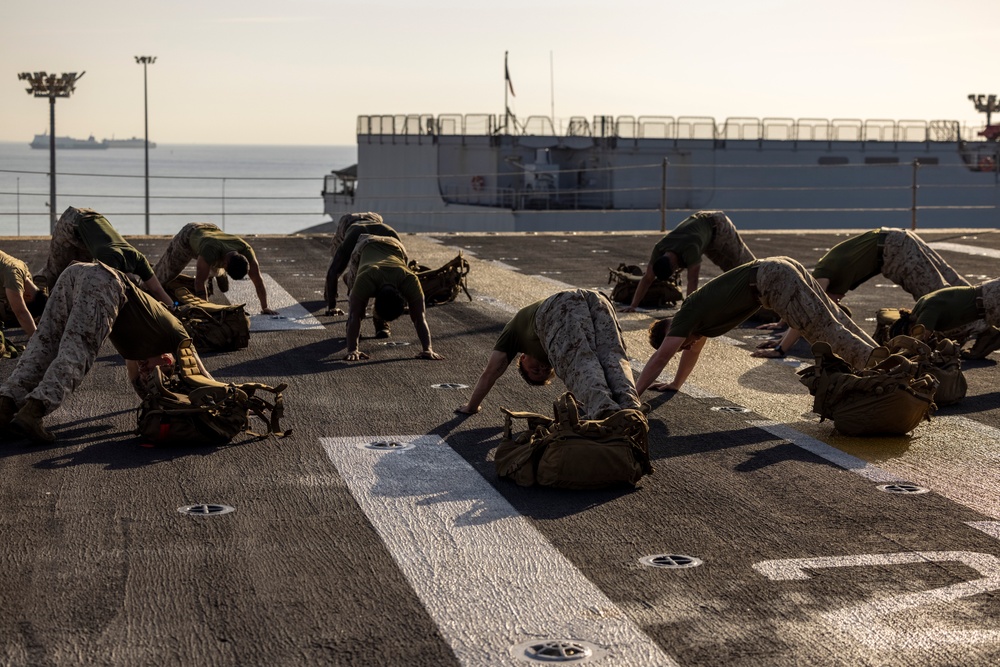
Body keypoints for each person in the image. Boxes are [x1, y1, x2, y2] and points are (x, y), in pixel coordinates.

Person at [0, 261, 212, 443]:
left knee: (43, 345)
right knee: (77, 351)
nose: (144, 370)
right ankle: (34, 410)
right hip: (105, 283)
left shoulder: (136, 354)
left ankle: (5, 406)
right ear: (167, 360)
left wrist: (156, 395)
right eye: (153, 372)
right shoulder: (176, 337)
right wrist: (235, 402)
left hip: (75, 274)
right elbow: (203, 376)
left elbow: (138, 382)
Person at [634, 257, 883, 395]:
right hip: (775, 269)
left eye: (679, 342)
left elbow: (661, 357)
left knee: (824, 331)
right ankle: (884, 358)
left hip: (771, 279)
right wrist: (676, 384)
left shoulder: (684, 319)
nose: (686, 345)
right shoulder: (696, 325)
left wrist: (633, 395)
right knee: (836, 320)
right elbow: (691, 352)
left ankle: (880, 368)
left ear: (672, 328)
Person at [756, 227, 976, 358]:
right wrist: (780, 324)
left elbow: (807, 313)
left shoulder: (822, 279)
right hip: (897, 238)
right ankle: (984, 314)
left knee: (939, 297)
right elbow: (802, 309)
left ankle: (983, 329)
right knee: (955, 286)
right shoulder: (822, 271)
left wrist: (781, 348)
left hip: (895, 250)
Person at [457, 289, 642, 419]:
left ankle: (607, 414)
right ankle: (631, 410)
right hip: (596, 299)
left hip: (557, 305)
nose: (542, 369)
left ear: (522, 359)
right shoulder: (557, 356)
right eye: (546, 372)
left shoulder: (513, 333)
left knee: (581, 362)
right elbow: (581, 374)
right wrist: (580, 398)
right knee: (613, 357)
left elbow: (491, 372)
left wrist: (471, 407)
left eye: (534, 371)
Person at [36, 206, 174, 308]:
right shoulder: (110, 260)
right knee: (57, 272)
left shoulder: (139, 259)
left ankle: (63, 306)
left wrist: (175, 310)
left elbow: (157, 290)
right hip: (71, 221)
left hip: (93, 219)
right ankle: (33, 294)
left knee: (78, 273)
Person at [622, 210, 755, 310]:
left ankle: (762, 282)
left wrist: (686, 310)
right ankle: (749, 298)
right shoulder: (660, 248)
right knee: (732, 271)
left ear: (674, 266)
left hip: (718, 226)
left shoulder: (690, 249)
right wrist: (633, 306)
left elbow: (693, 280)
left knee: (745, 263)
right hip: (705, 237)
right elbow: (647, 278)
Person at [343, 235, 442, 361]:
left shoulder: (410, 279)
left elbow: (419, 318)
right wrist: (352, 349)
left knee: (357, 304)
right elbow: (354, 316)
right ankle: (347, 277)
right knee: (353, 291)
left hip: (395, 245)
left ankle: (378, 322)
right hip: (366, 244)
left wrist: (428, 349)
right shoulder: (366, 279)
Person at [153, 222, 278, 315]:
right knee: (164, 276)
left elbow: (258, 280)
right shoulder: (209, 250)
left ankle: (219, 272)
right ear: (226, 263)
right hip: (189, 235)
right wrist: (207, 310)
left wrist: (265, 307)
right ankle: (142, 287)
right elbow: (199, 282)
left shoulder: (247, 250)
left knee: (212, 264)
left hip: (213, 229)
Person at [325, 217, 399, 316]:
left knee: (347, 272)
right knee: (336, 264)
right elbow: (332, 273)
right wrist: (332, 306)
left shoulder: (395, 244)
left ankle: (348, 279)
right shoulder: (353, 239)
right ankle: (344, 283)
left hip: (373, 220)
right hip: (349, 223)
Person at [890, 278, 1000, 340]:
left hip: (992, 299)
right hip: (989, 299)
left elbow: (918, 341)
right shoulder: (922, 307)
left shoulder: (927, 313)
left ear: (910, 329)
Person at [0, 249, 47, 339]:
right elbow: (20, 312)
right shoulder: (14, 279)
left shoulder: (24, 269)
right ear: (28, 296)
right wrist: (37, 339)